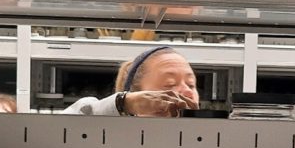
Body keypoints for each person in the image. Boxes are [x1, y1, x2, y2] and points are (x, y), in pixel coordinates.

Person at [63, 46, 199, 116]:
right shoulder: (113, 140)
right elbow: (55, 131)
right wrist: (123, 103)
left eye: (191, 85)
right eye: (170, 84)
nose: (187, 91)